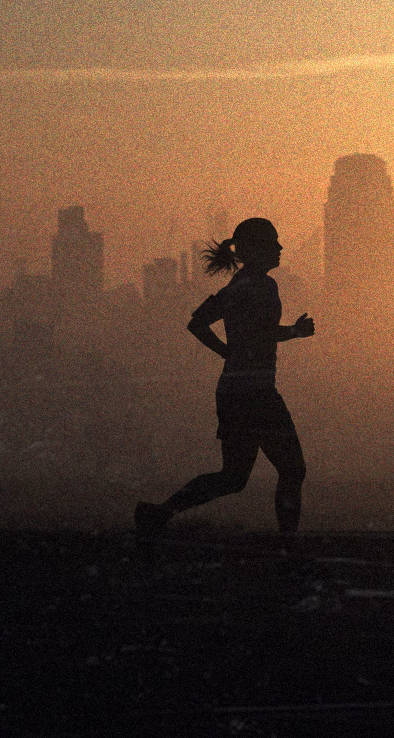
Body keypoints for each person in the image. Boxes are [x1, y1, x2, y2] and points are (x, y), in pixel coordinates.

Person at [135, 218, 315, 536]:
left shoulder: (235, 287)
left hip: (232, 392)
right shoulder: (261, 285)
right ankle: (289, 543)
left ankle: (159, 513)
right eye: (273, 242)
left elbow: (197, 323)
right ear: (255, 249)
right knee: (292, 469)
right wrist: (295, 332)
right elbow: (261, 333)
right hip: (257, 393)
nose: (280, 248)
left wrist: (225, 352)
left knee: (233, 477)